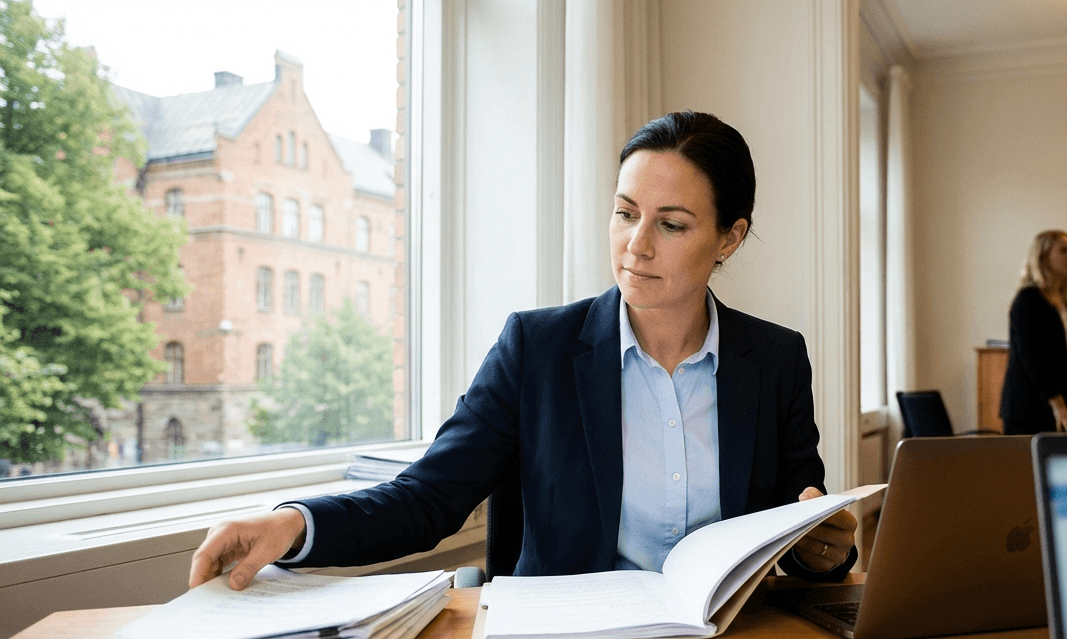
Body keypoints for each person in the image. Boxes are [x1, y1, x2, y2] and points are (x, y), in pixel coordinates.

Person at [190, 111, 857, 592]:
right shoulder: (535, 350)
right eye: (626, 213)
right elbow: (426, 498)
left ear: (729, 239)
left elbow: (799, 521)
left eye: (672, 224)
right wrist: (292, 524)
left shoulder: (774, 360)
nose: (637, 245)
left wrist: (824, 551)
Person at [999, 230, 1067, 434]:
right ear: (1043, 258)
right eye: (1064, 251)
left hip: (1062, 405)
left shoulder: (1065, 303)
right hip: (1032, 409)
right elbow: (1034, 360)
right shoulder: (1028, 300)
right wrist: (1060, 407)